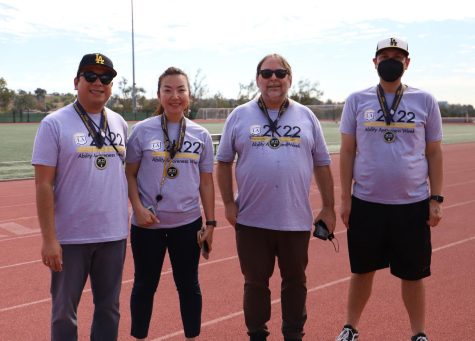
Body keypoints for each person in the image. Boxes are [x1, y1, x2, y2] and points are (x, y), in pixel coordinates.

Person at [216, 53, 336, 341]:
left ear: (289, 79)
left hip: (294, 219)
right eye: (266, 73)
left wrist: (329, 207)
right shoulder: (239, 115)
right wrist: (230, 204)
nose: (273, 79)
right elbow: (222, 162)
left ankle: (293, 334)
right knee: (255, 283)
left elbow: (321, 163)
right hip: (252, 220)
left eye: (280, 73)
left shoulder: (306, 116)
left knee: (295, 282)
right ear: (257, 79)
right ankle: (257, 334)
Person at [335, 37, 443, 341]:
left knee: (413, 274)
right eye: (385, 56)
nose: (391, 60)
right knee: (362, 271)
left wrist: (436, 198)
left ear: (407, 63)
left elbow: (434, 152)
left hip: (412, 204)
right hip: (367, 202)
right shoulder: (357, 100)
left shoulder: (425, 100)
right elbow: (346, 151)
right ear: (375, 62)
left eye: (398, 56)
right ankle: (350, 328)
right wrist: (346, 199)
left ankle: (418, 333)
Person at [32, 53, 128, 340]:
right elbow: (43, 185)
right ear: (76, 82)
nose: (98, 83)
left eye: (105, 78)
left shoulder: (120, 123)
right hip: (71, 239)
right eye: (90, 76)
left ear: (111, 85)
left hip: (113, 236)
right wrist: (49, 239)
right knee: (64, 312)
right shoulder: (54, 124)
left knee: (109, 309)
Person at [125, 66, 216, 341]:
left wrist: (210, 222)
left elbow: (206, 182)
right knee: (144, 285)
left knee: (188, 286)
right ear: (158, 95)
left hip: (187, 225)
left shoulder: (201, 135)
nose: (174, 96)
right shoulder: (141, 131)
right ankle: (139, 336)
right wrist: (138, 209)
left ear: (190, 95)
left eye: (180, 90)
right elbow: (128, 173)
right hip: (147, 226)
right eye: (168, 90)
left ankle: (192, 336)